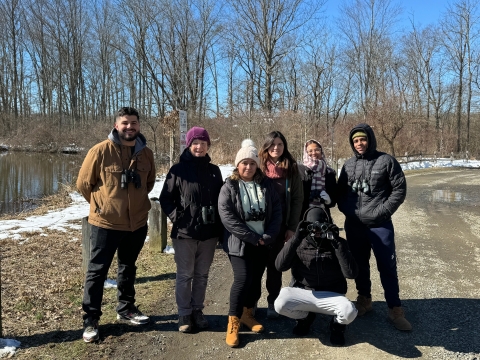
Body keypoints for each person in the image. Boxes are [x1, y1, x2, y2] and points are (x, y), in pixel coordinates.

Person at [77, 107, 156, 343]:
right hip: (106, 223)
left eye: (134, 123)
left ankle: (126, 308)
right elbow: (83, 184)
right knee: (97, 271)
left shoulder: (146, 154)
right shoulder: (100, 151)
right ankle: (91, 319)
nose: (129, 127)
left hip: (136, 224)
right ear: (116, 125)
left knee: (128, 266)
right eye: (125, 123)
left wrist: (136, 205)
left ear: (139, 126)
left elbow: (149, 183)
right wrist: (102, 206)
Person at [337, 123, 411, 331]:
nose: (359, 143)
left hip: (380, 226)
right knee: (359, 265)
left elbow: (399, 190)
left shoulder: (386, 161)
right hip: (355, 226)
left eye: (363, 139)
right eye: (355, 141)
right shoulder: (348, 165)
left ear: (370, 139)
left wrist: (383, 212)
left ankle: (395, 309)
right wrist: (348, 210)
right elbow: (341, 192)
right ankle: (364, 300)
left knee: (387, 267)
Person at [218, 140, 282, 347]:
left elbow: (277, 212)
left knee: (255, 280)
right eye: (244, 163)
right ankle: (233, 321)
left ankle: (248, 314)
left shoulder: (267, 185)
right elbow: (228, 218)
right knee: (242, 279)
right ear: (238, 165)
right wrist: (252, 237)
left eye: (252, 163)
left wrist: (269, 235)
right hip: (240, 242)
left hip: (263, 241)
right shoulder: (229, 186)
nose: (248, 167)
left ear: (257, 165)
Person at [159, 126, 223, 333]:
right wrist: (178, 217)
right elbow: (165, 198)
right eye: (195, 143)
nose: (199, 147)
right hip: (184, 233)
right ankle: (184, 314)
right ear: (189, 145)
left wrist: (220, 227)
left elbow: (222, 201)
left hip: (209, 233)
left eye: (203, 143)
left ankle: (197, 310)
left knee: (202, 275)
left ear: (207, 146)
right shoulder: (177, 170)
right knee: (185, 275)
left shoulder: (215, 171)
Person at [274, 206, 358, 346]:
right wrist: (295, 238)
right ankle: (305, 318)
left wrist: (336, 243)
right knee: (280, 304)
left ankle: (337, 326)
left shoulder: (338, 243)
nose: (318, 232)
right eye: (313, 228)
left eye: (322, 227)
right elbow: (279, 266)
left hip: (331, 294)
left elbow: (351, 274)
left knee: (349, 311)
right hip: (305, 292)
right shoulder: (298, 242)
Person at [259, 131, 303, 318]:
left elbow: (297, 198)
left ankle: (273, 301)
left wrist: (292, 227)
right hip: (259, 225)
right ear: (266, 146)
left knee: (274, 266)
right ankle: (250, 303)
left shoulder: (291, 168)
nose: (276, 148)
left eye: (280, 144)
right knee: (255, 266)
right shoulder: (258, 166)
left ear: (284, 147)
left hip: (280, 225)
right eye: (272, 144)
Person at [298, 139, 337, 219]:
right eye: (310, 151)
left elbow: (334, 197)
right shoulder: (299, 170)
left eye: (316, 150)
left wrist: (329, 200)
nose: (313, 153)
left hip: (323, 215)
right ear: (306, 153)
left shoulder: (329, 172)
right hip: (302, 216)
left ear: (321, 151)